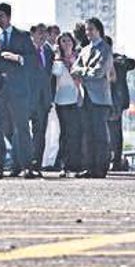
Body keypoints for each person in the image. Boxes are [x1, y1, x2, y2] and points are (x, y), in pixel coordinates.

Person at [0, 3, 41, 178]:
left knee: (22, 128)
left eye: (1, 16)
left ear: (9, 17)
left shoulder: (22, 36)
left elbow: (34, 61)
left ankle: (27, 166)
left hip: (18, 89)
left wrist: (18, 58)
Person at [72, 17, 115, 179]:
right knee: (87, 133)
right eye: (86, 29)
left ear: (99, 30)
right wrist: (83, 70)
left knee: (100, 135)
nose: (88, 32)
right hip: (85, 96)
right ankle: (89, 166)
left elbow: (99, 72)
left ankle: (101, 167)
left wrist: (82, 72)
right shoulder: (84, 50)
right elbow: (74, 67)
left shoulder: (105, 49)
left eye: (91, 29)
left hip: (100, 98)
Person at [51, 31, 85, 177]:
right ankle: (64, 165)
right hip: (62, 99)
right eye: (63, 41)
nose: (66, 44)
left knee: (77, 132)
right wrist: (58, 57)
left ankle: (77, 164)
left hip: (77, 97)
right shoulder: (57, 60)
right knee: (65, 133)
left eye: (68, 41)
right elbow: (56, 76)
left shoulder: (78, 59)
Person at [30, 24, 57, 174]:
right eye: (39, 33)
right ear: (32, 34)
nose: (42, 36)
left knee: (40, 133)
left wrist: (50, 97)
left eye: (45, 34)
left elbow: (51, 76)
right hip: (27, 98)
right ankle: (22, 163)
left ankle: (36, 164)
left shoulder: (48, 52)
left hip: (43, 99)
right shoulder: (26, 50)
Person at [109, 48, 135, 172]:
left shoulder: (118, 61)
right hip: (106, 98)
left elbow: (133, 64)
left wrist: (120, 58)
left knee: (116, 133)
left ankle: (116, 161)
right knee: (110, 133)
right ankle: (110, 159)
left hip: (118, 100)